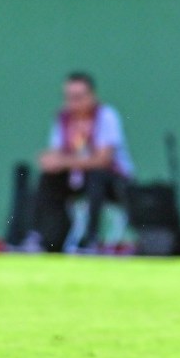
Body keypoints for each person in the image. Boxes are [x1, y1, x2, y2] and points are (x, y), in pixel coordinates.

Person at [31, 72, 133, 253]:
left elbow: (103, 160)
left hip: (113, 184)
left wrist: (64, 161)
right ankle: (48, 238)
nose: (73, 102)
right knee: (49, 179)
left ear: (92, 96)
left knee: (96, 177)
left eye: (78, 97)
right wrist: (50, 160)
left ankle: (91, 239)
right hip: (77, 179)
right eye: (68, 97)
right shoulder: (63, 119)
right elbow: (57, 154)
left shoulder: (106, 116)